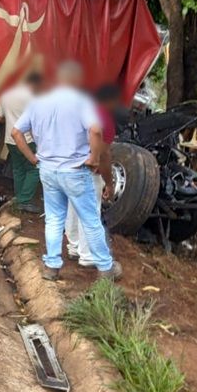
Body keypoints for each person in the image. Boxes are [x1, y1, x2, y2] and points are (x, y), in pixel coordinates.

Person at [10, 61, 122, 281]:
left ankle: (52, 267)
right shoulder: (82, 102)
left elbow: (16, 133)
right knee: (90, 219)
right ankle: (105, 268)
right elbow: (95, 129)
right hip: (74, 171)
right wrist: (94, 157)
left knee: (53, 219)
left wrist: (33, 158)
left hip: (47, 170)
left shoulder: (38, 103)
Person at [65, 83, 119, 266]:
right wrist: (109, 183)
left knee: (72, 206)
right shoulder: (104, 118)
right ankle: (87, 255)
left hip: (68, 165)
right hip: (87, 170)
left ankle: (73, 247)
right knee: (89, 211)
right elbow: (104, 155)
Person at [0, 70, 44, 213]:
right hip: (27, 139)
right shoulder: (32, 98)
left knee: (18, 169)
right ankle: (24, 200)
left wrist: (12, 120)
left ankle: (19, 198)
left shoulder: (5, 96)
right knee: (35, 169)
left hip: (10, 139)